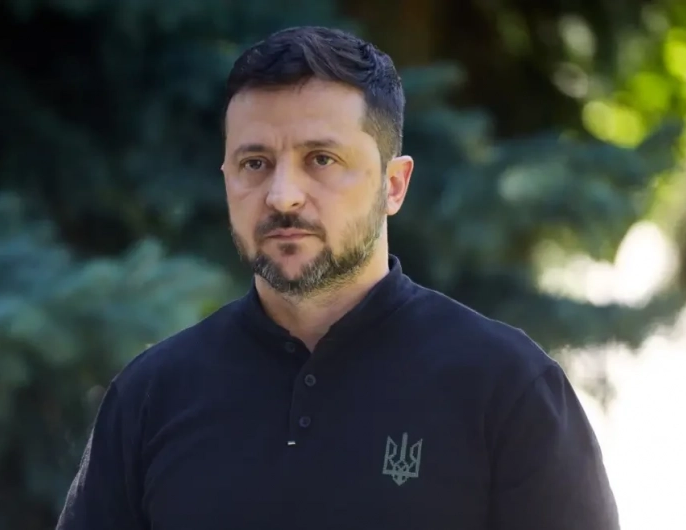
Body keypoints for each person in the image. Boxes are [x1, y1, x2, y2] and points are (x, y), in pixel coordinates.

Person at [56, 26, 620, 530]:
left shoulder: (506, 386)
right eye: (255, 164)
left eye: (321, 159)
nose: (282, 196)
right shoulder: (151, 396)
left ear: (393, 186)